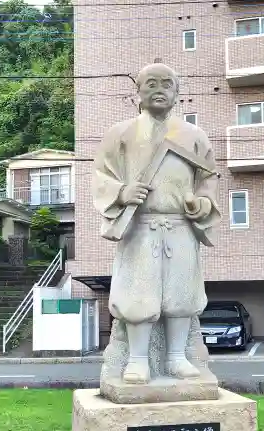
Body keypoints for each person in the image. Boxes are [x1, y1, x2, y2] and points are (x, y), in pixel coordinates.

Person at [92, 63, 221, 384]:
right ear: (137, 91)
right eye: (151, 83)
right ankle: (137, 360)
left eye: (167, 84)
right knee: (139, 293)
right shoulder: (120, 134)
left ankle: (177, 356)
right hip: (139, 225)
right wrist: (123, 192)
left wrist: (202, 203)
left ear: (177, 93)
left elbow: (208, 178)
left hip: (180, 226)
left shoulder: (194, 136)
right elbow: (101, 176)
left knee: (181, 294)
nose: (159, 89)